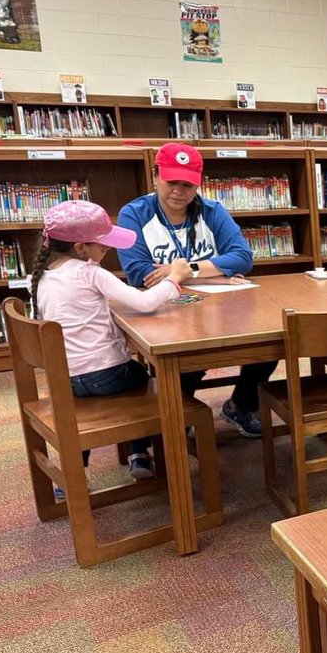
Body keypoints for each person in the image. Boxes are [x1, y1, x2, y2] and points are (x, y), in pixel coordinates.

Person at [117, 142, 274, 437]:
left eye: (188, 184)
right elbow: (138, 272)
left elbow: (243, 257)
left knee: (268, 342)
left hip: (218, 309)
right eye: (171, 181)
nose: (179, 190)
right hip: (164, 312)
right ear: (155, 177)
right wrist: (216, 275)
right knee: (187, 359)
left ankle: (241, 404)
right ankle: (178, 414)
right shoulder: (134, 214)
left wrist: (186, 271)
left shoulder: (212, 211)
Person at [31, 200, 192, 482]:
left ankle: (75, 471)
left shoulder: (41, 277)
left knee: (119, 382)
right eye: (103, 246)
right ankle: (139, 451)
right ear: (81, 248)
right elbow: (144, 302)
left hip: (66, 383)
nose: (108, 251)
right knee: (147, 377)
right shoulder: (90, 272)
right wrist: (175, 277)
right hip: (107, 377)